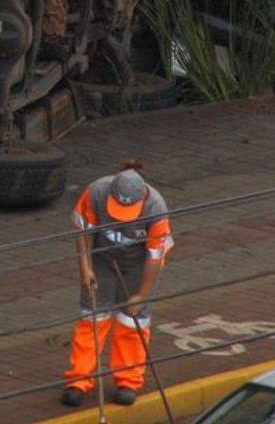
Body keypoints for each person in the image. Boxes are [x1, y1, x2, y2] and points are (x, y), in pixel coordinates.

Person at [61, 160, 174, 408]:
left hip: (138, 266)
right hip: (102, 260)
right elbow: (83, 232)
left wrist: (142, 295)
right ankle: (79, 380)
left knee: (132, 321)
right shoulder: (96, 192)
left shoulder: (156, 207)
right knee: (92, 316)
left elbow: (156, 257)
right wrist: (85, 268)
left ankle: (128, 381)